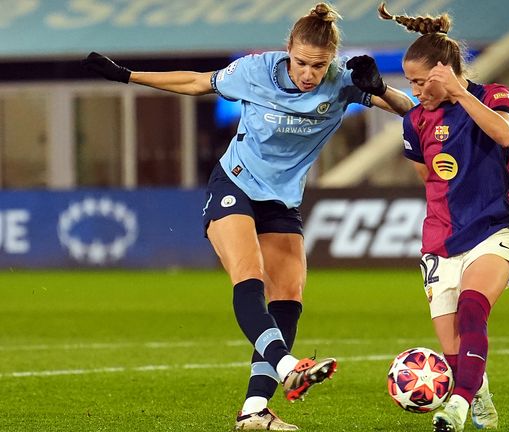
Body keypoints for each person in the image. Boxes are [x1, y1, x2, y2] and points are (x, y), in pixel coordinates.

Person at [82, 3, 414, 431]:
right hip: (235, 183)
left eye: (319, 65)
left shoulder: (342, 82)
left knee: (289, 299)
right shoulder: (256, 71)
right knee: (248, 274)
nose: (309, 73)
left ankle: (254, 410)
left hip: (282, 200)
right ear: (287, 50)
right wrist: (128, 75)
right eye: (301, 63)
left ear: (331, 60)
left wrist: (382, 89)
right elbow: (197, 82)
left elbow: (412, 112)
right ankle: (287, 363)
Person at [378, 3, 509, 431]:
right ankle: (477, 396)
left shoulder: (491, 95)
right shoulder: (416, 122)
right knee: (454, 350)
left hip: (493, 226)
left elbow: (505, 134)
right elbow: (428, 175)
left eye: (423, 81)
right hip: (441, 239)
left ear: (445, 71)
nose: (418, 90)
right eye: (411, 83)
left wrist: (459, 93)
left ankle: (459, 405)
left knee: (472, 312)